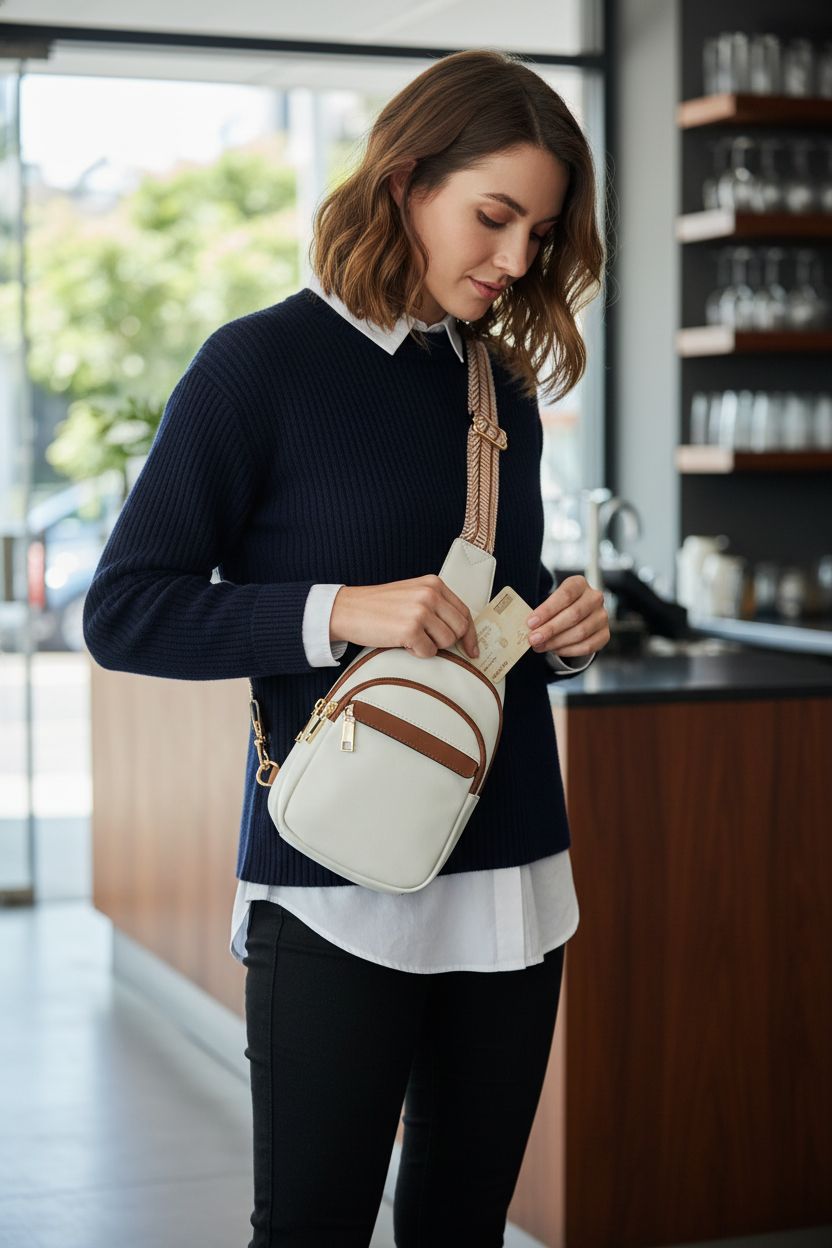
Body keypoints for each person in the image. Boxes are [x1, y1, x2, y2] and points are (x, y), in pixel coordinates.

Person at [83, 46, 609, 1248]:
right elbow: (122, 612)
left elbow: (492, 613)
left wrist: (559, 633)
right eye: (493, 217)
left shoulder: (499, 393)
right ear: (406, 180)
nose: (517, 261)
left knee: (461, 1227)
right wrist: (337, 608)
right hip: (334, 884)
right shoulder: (255, 367)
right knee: (312, 1228)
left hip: (514, 866)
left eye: (539, 231)